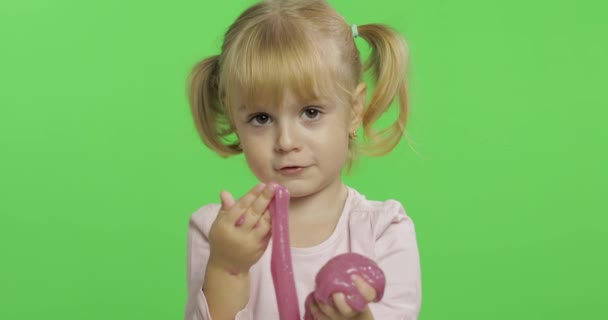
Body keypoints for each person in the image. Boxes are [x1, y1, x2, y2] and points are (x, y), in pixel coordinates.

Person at [184, 0, 421, 319]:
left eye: (311, 112)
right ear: (234, 119)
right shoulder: (218, 233)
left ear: (354, 111)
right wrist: (227, 269)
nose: (286, 142)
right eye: (261, 118)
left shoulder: (382, 231)